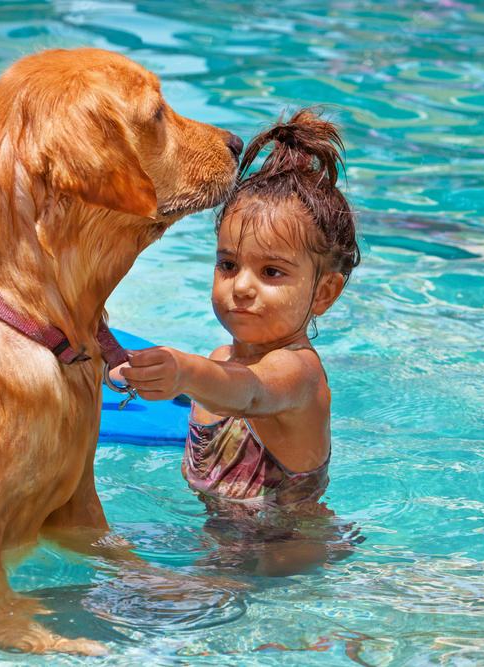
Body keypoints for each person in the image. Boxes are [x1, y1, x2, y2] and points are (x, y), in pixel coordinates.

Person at [118, 108, 363, 575]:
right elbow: (220, 379)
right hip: (220, 543)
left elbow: (249, 391)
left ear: (325, 293)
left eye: (271, 272)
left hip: (288, 556)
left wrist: (184, 372)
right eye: (228, 264)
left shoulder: (299, 374)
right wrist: (123, 370)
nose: (242, 286)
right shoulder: (216, 363)